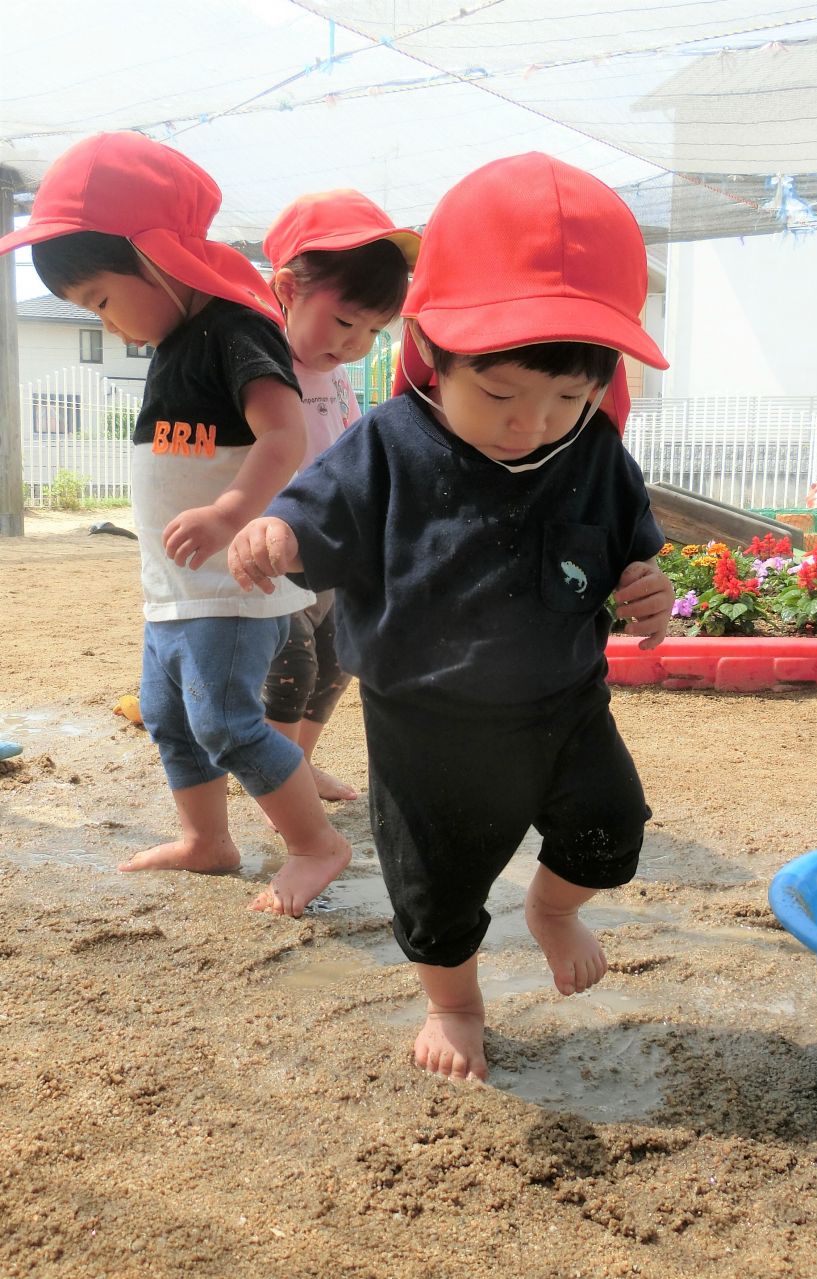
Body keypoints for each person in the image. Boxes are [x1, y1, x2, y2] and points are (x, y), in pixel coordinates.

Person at [228, 152, 673, 1080]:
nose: (532, 423)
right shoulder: (389, 443)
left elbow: (635, 549)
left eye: (567, 396)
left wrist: (646, 590)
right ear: (433, 349)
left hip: (563, 702)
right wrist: (277, 534)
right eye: (501, 394)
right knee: (436, 888)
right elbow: (316, 511)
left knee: (611, 824)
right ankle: (455, 1004)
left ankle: (554, 909)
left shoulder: (593, 449)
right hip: (426, 721)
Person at [0, 131, 350, 915]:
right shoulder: (172, 338)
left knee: (226, 720)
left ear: (152, 258)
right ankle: (207, 840)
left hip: (228, 583)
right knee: (168, 716)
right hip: (173, 588)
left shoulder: (235, 327)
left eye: (100, 299)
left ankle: (314, 844)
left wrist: (232, 511)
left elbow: (286, 436)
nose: (110, 324)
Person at [260, 191, 419, 806]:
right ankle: (275, 785)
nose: (357, 343)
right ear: (288, 290)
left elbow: (349, 449)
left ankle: (296, 764)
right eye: (345, 322)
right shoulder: (260, 363)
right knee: (290, 665)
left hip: (330, 546)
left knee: (336, 659)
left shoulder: (334, 368)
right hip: (273, 546)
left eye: (376, 330)